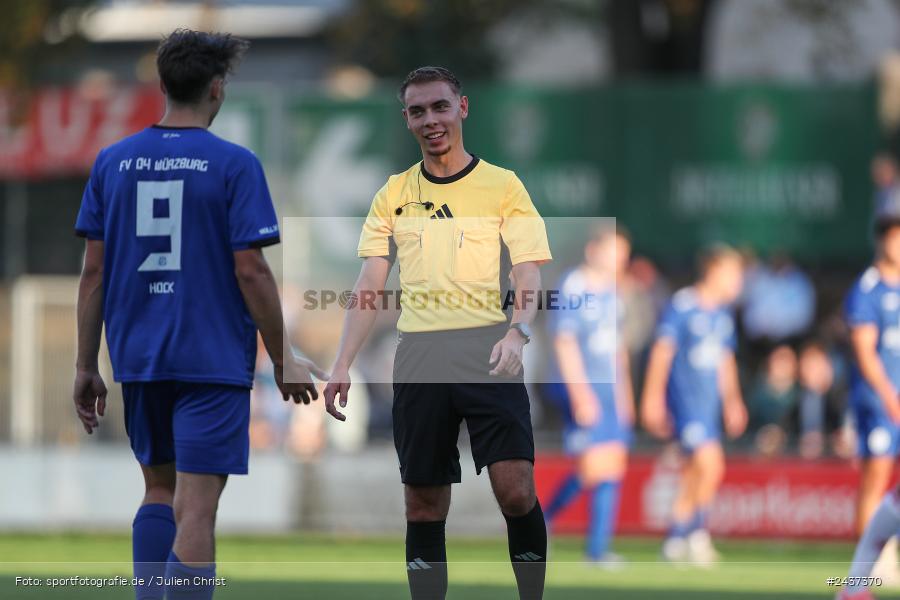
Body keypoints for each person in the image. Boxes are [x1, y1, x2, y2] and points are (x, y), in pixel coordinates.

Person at [72, 30, 324, 600]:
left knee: (159, 491)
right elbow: (251, 270)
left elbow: (93, 274)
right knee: (197, 507)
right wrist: (282, 357)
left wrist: (86, 365)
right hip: (211, 360)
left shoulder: (113, 162)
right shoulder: (234, 164)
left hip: (140, 357)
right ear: (217, 88)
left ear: (162, 85)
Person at [323, 66, 552, 600]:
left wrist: (517, 332)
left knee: (515, 490)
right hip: (420, 357)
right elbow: (369, 283)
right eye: (418, 111)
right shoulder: (393, 193)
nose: (431, 120)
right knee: (423, 504)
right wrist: (341, 364)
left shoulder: (503, 186)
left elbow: (528, 273)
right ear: (407, 119)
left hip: (488, 349)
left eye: (440, 107)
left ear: (462, 108)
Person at [640, 244, 747, 565]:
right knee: (711, 464)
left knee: (696, 471)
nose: (738, 282)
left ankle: (677, 537)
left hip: (708, 405)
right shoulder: (683, 305)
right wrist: (652, 398)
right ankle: (697, 534)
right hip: (685, 403)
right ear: (714, 271)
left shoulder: (722, 314)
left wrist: (733, 401)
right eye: (734, 274)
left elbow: (726, 361)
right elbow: (662, 353)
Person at [543, 226, 634, 567]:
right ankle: (539, 522)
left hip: (609, 390)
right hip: (582, 387)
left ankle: (597, 550)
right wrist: (581, 394)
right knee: (595, 465)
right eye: (613, 253)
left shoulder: (614, 292)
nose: (618, 261)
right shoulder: (573, 286)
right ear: (592, 251)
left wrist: (625, 395)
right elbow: (564, 342)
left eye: (623, 256)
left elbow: (617, 351)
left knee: (613, 464)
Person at [836, 197, 900, 599]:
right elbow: (865, 351)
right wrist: (890, 397)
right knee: (876, 476)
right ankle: (863, 576)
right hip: (878, 402)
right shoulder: (867, 289)